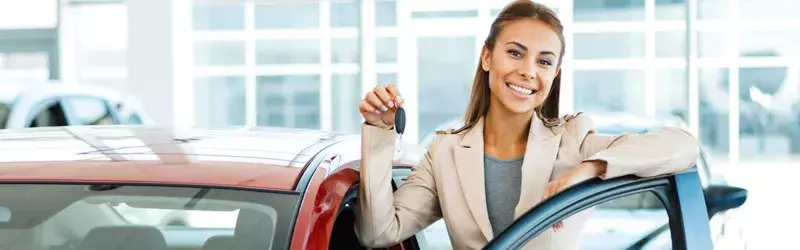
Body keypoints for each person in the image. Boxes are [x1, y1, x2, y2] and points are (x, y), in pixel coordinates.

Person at [354, 1, 699, 249]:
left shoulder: (573, 142)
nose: (529, 71)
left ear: (554, 74)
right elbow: (378, 233)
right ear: (487, 57)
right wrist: (380, 132)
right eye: (515, 53)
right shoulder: (445, 151)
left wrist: (587, 171)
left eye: (544, 61)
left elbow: (682, 145)